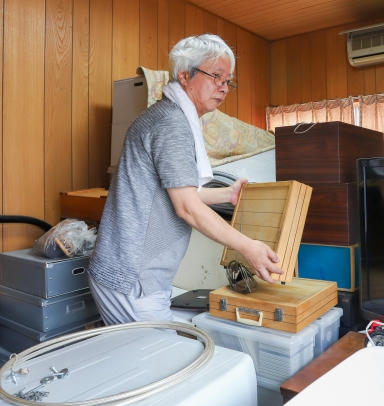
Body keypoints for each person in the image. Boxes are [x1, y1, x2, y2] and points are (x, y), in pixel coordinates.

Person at [87, 34, 283, 325]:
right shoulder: (171, 124)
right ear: (184, 75)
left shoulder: (172, 117)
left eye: (228, 81)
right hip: (132, 279)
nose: (223, 87)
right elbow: (187, 207)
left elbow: (179, 192)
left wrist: (227, 194)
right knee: (163, 354)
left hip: (135, 275)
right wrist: (248, 247)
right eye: (216, 76)